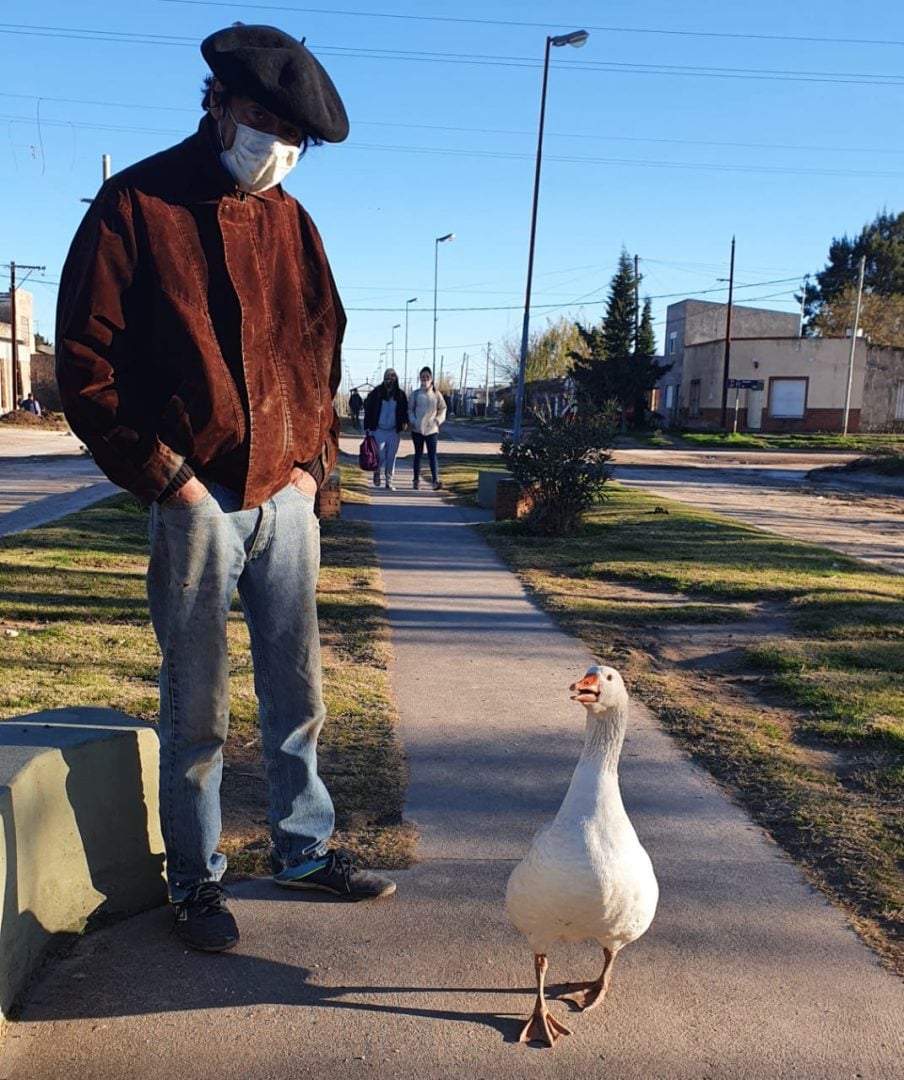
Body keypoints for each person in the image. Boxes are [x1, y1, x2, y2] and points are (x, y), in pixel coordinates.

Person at [55, 23, 395, 954]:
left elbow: (322, 345)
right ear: (217, 103)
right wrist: (165, 477)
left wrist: (315, 472)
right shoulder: (137, 206)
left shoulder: (293, 222)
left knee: (298, 691)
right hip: (195, 499)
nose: (277, 147)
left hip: (285, 497)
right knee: (195, 705)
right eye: (262, 120)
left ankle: (303, 847)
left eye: (298, 139)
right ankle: (196, 881)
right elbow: (84, 364)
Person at [363, 369, 408, 490]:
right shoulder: (376, 393)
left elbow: (404, 411)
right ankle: (377, 471)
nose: (390, 379)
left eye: (393, 376)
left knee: (391, 457)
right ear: (384, 378)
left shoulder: (400, 395)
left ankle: (389, 481)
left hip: (394, 431)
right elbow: (369, 410)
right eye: (388, 376)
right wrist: (367, 427)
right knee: (380, 455)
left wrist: (404, 422)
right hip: (379, 430)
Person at [407, 367, 447, 490]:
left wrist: (437, 420)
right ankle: (416, 480)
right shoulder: (416, 394)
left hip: (432, 430)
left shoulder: (436, 394)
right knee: (418, 455)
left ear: (431, 379)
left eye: (427, 377)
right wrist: (413, 421)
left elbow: (443, 408)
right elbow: (410, 409)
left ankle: (435, 481)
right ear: (420, 379)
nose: (425, 379)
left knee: (432, 455)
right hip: (417, 430)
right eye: (423, 377)